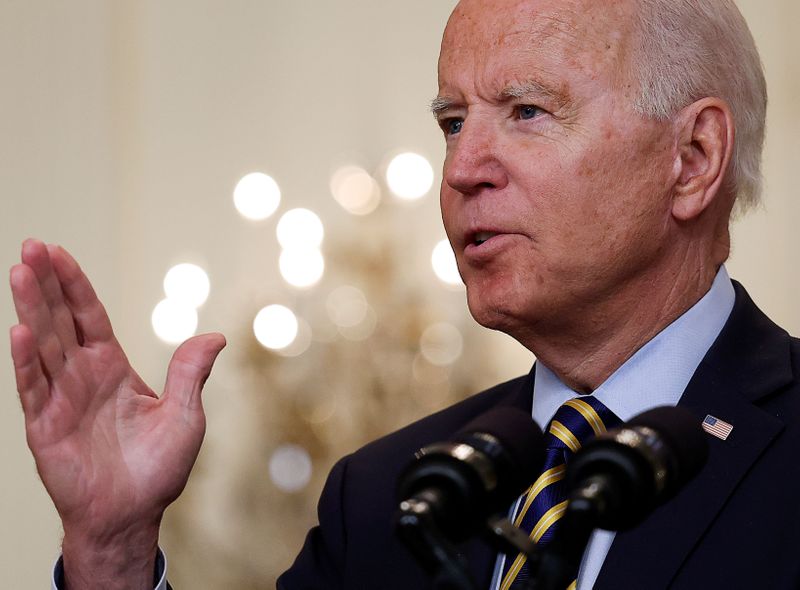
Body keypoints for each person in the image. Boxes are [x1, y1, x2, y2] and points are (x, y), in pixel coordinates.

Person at [10, 0, 800, 588]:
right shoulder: (392, 493)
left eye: (527, 112)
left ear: (694, 159)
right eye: (453, 122)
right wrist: (111, 550)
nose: (462, 169)